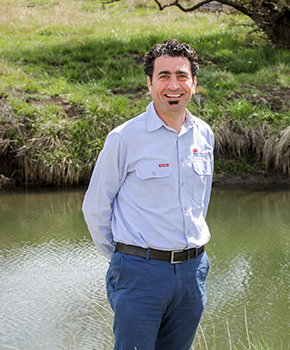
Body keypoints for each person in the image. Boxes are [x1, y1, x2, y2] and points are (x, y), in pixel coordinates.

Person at [82, 39, 214, 350]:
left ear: (194, 83)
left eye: (181, 76)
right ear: (149, 83)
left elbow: (200, 203)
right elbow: (96, 207)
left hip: (192, 272)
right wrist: (123, 258)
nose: (173, 85)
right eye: (163, 76)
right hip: (140, 274)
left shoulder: (204, 135)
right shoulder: (125, 138)